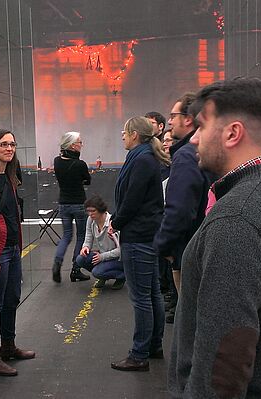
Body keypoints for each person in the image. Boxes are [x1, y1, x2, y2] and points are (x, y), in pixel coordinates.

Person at [169, 78, 261, 398]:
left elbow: (225, 360)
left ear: (232, 133)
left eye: (201, 127)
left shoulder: (234, 221)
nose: (193, 139)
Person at [109, 116, 169, 372]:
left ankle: (139, 353)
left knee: (142, 298)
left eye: (124, 131)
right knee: (152, 293)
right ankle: (153, 345)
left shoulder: (142, 159)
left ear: (134, 134)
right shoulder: (145, 156)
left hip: (138, 236)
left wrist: (117, 221)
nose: (122, 135)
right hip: (145, 234)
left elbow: (132, 200)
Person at [154, 93, 214, 325]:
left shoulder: (186, 156)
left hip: (188, 249)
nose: (169, 122)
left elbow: (179, 210)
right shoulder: (199, 152)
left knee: (190, 321)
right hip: (200, 245)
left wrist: (164, 245)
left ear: (188, 119)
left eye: (173, 116)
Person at [0, 129, 35, 377]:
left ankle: (8, 346)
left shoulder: (11, 176)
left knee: (12, 298)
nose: (9, 148)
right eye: (4, 144)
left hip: (13, 246)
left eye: (12, 144)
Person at [52, 131, 91, 283]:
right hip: (79, 204)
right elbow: (87, 180)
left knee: (66, 236)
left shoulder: (57, 161)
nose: (81, 145)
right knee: (81, 236)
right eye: (80, 142)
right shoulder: (80, 164)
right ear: (73, 145)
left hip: (63, 204)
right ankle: (75, 269)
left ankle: (57, 262)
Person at [75, 195, 124, 290]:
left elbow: (120, 251)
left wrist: (102, 257)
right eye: (88, 211)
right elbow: (88, 238)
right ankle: (103, 275)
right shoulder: (91, 220)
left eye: (93, 211)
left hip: (118, 259)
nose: (90, 214)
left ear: (101, 210)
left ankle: (122, 276)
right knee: (80, 259)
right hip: (103, 255)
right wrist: (85, 247)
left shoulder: (112, 223)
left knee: (97, 272)